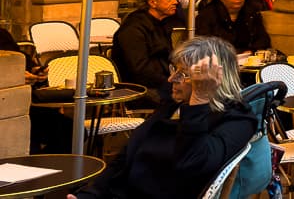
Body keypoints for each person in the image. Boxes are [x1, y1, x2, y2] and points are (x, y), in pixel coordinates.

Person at [70, 36, 257, 199]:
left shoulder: (237, 119)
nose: (171, 79)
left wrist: (199, 100)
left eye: (183, 74)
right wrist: (90, 194)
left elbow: (193, 162)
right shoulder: (173, 106)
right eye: (173, 69)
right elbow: (127, 158)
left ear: (215, 79)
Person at [113, 0, 180, 103]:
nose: (175, 2)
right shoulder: (133, 28)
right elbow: (140, 70)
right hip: (139, 88)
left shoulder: (161, 23)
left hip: (161, 81)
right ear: (153, 2)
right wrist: (171, 83)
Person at [195, 0, 271, 55]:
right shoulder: (207, 15)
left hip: (247, 59)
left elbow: (263, 40)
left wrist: (252, 51)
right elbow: (203, 44)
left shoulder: (251, 14)